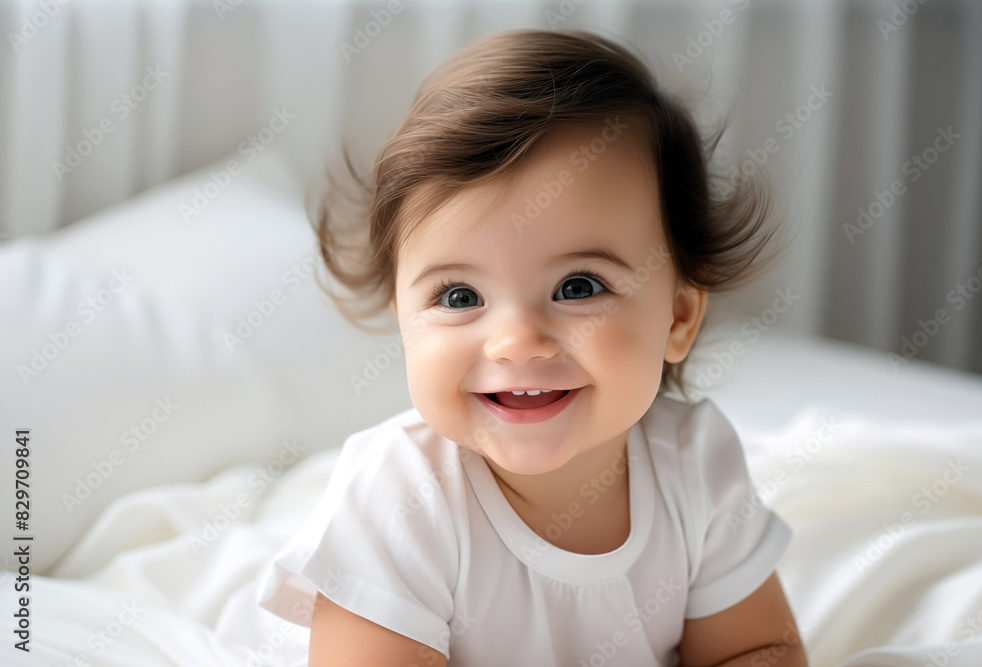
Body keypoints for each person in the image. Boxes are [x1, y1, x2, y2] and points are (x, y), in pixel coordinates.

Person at [257, 28, 808, 666]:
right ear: (403, 319)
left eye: (578, 286)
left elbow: (761, 649)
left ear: (679, 316)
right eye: (459, 297)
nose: (517, 341)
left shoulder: (695, 463)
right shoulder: (402, 497)